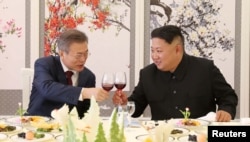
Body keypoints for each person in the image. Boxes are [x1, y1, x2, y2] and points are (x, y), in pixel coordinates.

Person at [113, 25, 238, 122]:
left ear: (177, 49)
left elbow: (228, 96)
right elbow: (136, 107)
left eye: (159, 51)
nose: (154, 56)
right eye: (152, 50)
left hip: (199, 135)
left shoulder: (206, 69)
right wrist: (125, 103)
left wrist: (225, 110)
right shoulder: (147, 74)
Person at [26, 29, 109, 118]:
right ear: (62, 53)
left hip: (69, 129)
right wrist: (83, 92)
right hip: (37, 124)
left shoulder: (88, 76)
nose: (83, 59)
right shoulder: (44, 64)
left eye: (86, 53)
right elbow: (47, 88)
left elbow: (86, 113)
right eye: (78, 55)